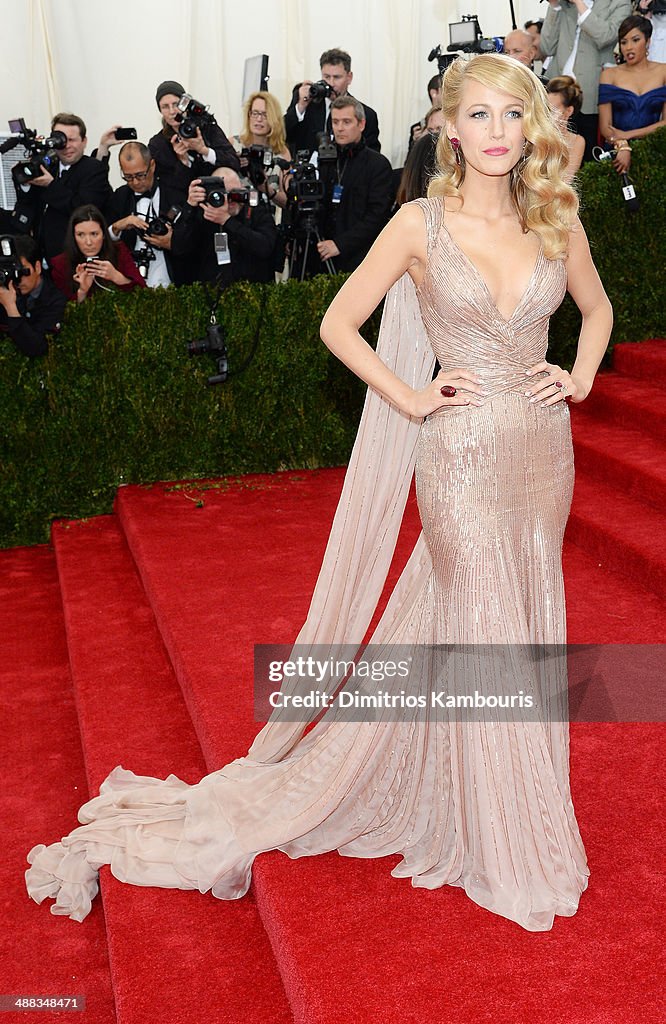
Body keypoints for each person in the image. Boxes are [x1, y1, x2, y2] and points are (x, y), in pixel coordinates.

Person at [25, 54, 613, 934]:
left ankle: (485, 802)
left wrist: (579, 376)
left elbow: (596, 311)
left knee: (523, 626)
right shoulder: (420, 223)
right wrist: (411, 396)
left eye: (511, 116)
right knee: (488, 627)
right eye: (479, 115)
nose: (496, 132)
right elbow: (337, 322)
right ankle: (511, 839)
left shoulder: (554, 217)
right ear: (448, 129)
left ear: (531, 127)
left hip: (541, 454)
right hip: (458, 457)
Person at [11, 114, 112, 261]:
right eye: (60, 140)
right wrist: (25, 183)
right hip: (41, 255)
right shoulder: (47, 166)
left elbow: (83, 208)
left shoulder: (94, 169)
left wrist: (51, 185)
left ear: (84, 141)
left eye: (72, 140)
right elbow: (29, 203)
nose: (66, 146)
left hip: (73, 258)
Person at [541, 0, 633, 161]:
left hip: (590, 93)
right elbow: (547, 47)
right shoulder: (564, 5)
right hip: (556, 92)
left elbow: (606, 36)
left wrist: (579, 3)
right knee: (549, 153)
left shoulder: (619, 3)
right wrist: (554, 6)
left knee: (586, 155)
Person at [312, 96, 393, 274]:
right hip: (321, 255)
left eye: (346, 122)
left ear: (361, 124)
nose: (340, 128)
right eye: (335, 122)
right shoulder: (324, 160)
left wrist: (340, 245)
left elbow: (376, 217)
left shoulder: (377, 165)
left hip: (361, 260)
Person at [171, 167, 278, 286]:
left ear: (243, 190)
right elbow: (178, 247)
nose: (229, 200)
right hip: (209, 293)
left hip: (252, 292)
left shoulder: (257, 211)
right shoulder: (202, 214)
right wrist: (190, 206)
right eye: (222, 194)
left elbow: (265, 247)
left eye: (234, 193)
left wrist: (227, 221)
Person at [107, 142, 190, 287]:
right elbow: (105, 240)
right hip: (130, 280)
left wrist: (172, 242)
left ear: (152, 166)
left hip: (172, 279)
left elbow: (193, 239)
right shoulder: (120, 196)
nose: (135, 182)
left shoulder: (175, 194)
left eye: (140, 175)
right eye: (128, 176)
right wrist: (117, 226)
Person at [149, 81, 240, 199]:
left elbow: (234, 163)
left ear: (185, 103)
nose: (172, 111)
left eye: (176, 104)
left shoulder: (207, 128)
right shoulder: (158, 145)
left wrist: (204, 151)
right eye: (165, 107)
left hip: (219, 198)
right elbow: (169, 188)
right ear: (160, 111)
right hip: (186, 204)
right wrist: (183, 161)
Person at [598, 14, 666, 172]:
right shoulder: (609, 74)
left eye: (635, 40)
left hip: (655, 153)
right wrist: (622, 145)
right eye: (623, 42)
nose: (628, 47)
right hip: (617, 152)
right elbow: (605, 127)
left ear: (648, 41)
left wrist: (627, 135)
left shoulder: (663, 72)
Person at [284, 48, 381, 156]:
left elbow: (371, 157)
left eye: (337, 77)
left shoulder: (366, 114)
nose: (331, 83)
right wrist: (301, 106)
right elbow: (282, 136)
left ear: (349, 77)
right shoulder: (307, 104)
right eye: (326, 77)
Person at [50, 204, 146, 302]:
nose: (88, 242)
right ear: (73, 237)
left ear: (104, 234)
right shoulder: (61, 264)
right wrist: (82, 292)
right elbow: (61, 311)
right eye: (81, 235)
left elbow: (144, 295)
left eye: (94, 234)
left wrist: (117, 277)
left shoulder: (119, 251)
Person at [0, 235, 67, 356]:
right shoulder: (4, 291)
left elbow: (37, 348)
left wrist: (10, 307)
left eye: (22, 271)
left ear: (37, 267)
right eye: (12, 271)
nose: (18, 279)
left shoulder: (56, 300)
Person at [236, 91, 291, 211]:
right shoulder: (234, 145)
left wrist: (267, 189)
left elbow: (288, 202)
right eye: (255, 113)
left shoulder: (281, 152)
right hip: (237, 219)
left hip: (268, 222)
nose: (259, 119)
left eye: (265, 115)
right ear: (249, 115)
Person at [547, 76, 586, 177]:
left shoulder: (577, 142)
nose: (545, 114)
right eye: (543, 107)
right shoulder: (531, 134)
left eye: (552, 110)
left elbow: (565, 181)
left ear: (568, 111)